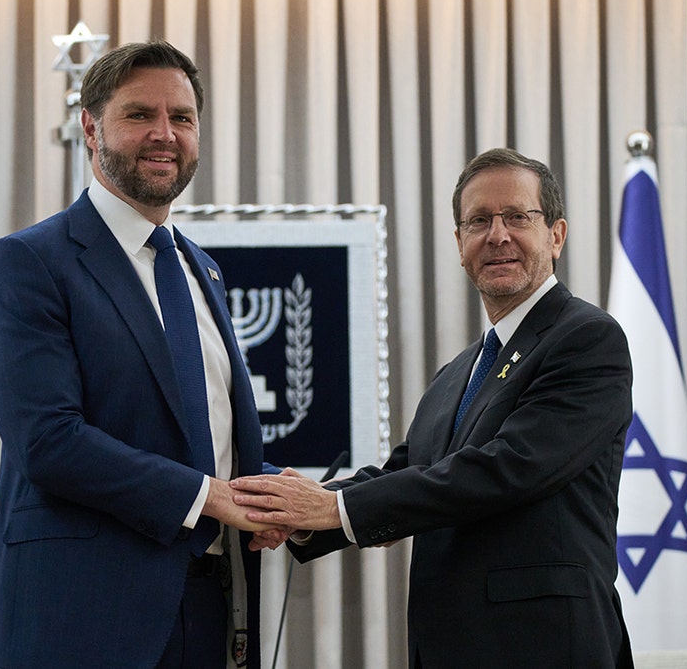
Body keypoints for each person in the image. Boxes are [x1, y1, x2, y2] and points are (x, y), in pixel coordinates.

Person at [233, 148, 635, 668]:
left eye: (517, 217)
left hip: (545, 646)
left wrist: (332, 508)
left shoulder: (586, 338)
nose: (497, 235)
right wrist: (301, 515)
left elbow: (507, 468)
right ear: (459, 243)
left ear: (556, 235)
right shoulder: (458, 373)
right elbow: (411, 472)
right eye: (479, 221)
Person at [0, 41, 280, 668]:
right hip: (85, 617)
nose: (165, 134)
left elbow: (204, 438)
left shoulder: (204, 271)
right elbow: (48, 441)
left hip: (215, 609)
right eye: (140, 115)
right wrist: (209, 496)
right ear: (91, 128)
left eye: (183, 118)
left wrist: (282, 499)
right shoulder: (31, 261)